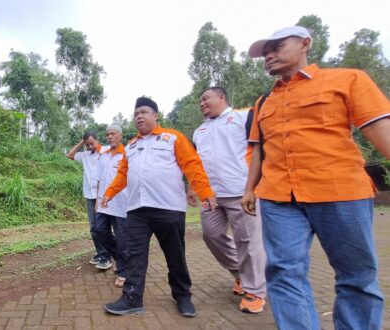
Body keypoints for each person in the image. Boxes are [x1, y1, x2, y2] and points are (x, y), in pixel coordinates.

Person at [242, 25, 390, 329]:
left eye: (277, 47)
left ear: (305, 44)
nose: (268, 56)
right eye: (264, 53)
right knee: (283, 272)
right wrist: (249, 189)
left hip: (340, 191)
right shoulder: (263, 102)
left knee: (356, 275)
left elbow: (378, 128)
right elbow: (258, 150)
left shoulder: (347, 80)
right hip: (279, 198)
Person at [102, 96, 217, 317]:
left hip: (168, 207)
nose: (139, 116)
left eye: (144, 112)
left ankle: (183, 296)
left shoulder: (172, 138)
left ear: (156, 115)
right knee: (134, 256)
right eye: (136, 114)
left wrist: (205, 191)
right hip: (136, 210)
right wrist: (109, 193)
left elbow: (192, 165)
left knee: (175, 255)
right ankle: (132, 298)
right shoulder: (131, 146)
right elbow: (123, 174)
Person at [188, 87, 267, 314]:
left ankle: (255, 290)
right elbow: (198, 164)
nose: (202, 103)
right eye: (200, 100)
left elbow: (261, 150)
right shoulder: (199, 131)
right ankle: (241, 273)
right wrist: (194, 188)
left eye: (206, 98)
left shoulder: (244, 117)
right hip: (211, 196)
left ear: (222, 97)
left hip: (242, 192)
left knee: (248, 241)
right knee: (211, 235)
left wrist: (253, 188)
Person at [66, 132, 112, 270]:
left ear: (98, 140)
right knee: (93, 227)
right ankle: (101, 253)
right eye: (87, 144)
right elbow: (69, 155)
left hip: (103, 195)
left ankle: (107, 257)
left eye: (92, 143)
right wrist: (82, 142)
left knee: (103, 227)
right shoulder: (84, 155)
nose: (90, 146)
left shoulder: (106, 151)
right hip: (89, 195)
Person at [94, 124, 129, 288]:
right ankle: (120, 259)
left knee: (122, 238)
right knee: (99, 230)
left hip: (121, 203)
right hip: (103, 202)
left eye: (112, 134)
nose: (109, 137)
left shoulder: (127, 154)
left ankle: (123, 271)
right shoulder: (104, 155)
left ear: (120, 135)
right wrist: (96, 199)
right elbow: (99, 179)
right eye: (107, 134)